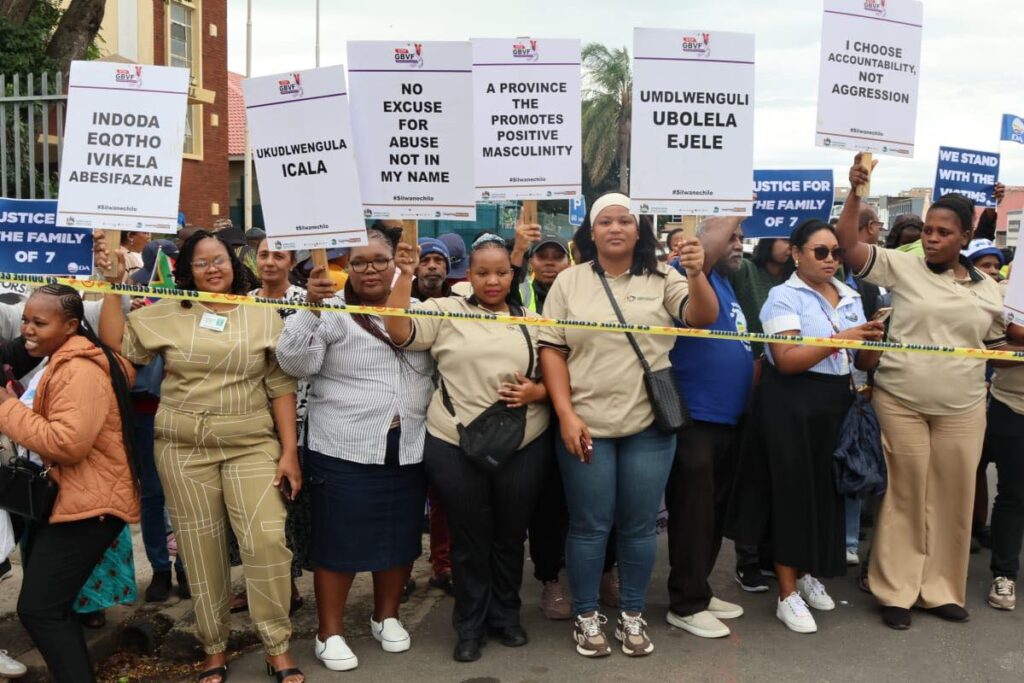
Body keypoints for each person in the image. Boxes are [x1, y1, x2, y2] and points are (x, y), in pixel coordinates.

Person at [99, 231, 304, 683]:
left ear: (234, 265)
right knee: (200, 548)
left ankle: (277, 643)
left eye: (220, 261)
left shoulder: (261, 314)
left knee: (267, 541)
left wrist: (289, 452)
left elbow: (280, 386)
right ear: (186, 271)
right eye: (201, 263)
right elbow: (117, 346)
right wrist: (113, 283)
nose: (213, 269)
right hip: (183, 450)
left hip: (251, 444)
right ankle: (214, 646)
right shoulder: (167, 314)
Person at [538, 192, 718, 658]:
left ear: (638, 231)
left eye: (624, 221)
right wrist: (565, 414)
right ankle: (586, 614)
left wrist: (696, 274)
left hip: (648, 426)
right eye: (606, 222)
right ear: (591, 232)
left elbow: (702, 317)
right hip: (585, 425)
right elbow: (552, 350)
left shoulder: (664, 277)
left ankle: (633, 613)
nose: (615, 228)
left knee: (638, 527)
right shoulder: (568, 282)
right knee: (589, 525)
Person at [838, 154, 1013, 630]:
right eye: (929, 230)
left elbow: (996, 349)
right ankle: (896, 589)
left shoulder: (989, 290)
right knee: (904, 494)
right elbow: (850, 247)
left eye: (943, 233)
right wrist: (856, 192)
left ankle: (940, 590)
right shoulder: (904, 267)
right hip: (902, 402)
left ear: (963, 238)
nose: (932, 238)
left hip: (965, 407)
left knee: (953, 497)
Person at [385, 234, 551, 664]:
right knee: (469, 539)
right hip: (454, 443)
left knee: (511, 537)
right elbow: (399, 331)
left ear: (513, 273)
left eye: (500, 272)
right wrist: (404, 274)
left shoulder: (536, 320)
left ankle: (507, 616)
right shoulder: (443, 310)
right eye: (482, 272)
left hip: (524, 443)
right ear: (468, 275)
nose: (492, 280)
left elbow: (564, 379)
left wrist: (539, 391)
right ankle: (470, 625)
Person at [278, 228, 434, 671]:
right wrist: (309, 307)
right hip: (343, 446)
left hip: (407, 446)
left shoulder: (420, 310)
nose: (370, 269)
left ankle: (386, 616)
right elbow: (293, 363)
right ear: (345, 265)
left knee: (400, 538)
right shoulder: (328, 310)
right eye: (359, 261)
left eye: (380, 260)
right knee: (339, 542)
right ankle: (330, 632)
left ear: (397, 262)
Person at [0, 284, 139, 682]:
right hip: (73, 499)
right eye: (25, 319)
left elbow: (67, 443)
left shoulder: (78, 369)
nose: (27, 329)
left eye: (39, 322)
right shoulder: (59, 358)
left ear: (72, 326)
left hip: (90, 504)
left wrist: (6, 409)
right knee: (48, 608)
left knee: (41, 609)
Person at [664, 216, 753, 639]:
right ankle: (684, 602)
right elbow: (711, 243)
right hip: (696, 417)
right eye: (732, 237)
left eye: (741, 237)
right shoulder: (691, 273)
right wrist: (736, 204)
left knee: (713, 514)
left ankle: (699, 587)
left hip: (727, 420)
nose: (738, 243)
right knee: (693, 515)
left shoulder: (726, 283)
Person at [227, 240, 311, 615]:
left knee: (283, 511)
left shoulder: (308, 301)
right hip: (249, 418)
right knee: (251, 509)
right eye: (264, 255)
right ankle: (264, 584)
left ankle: (285, 588)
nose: (270, 261)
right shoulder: (243, 301)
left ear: (291, 261)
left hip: (300, 418)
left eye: (279, 255)